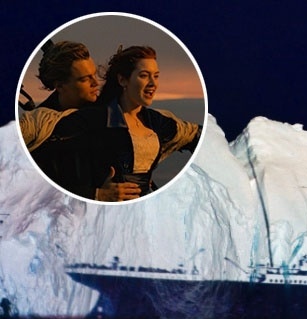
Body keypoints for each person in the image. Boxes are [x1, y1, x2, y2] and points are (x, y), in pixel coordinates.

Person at [24, 45, 201, 202]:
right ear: (61, 85)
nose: (95, 83)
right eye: (85, 79)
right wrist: (95, 195)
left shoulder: (110, 113)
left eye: (94, 75)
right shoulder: (41, 125)